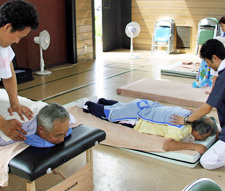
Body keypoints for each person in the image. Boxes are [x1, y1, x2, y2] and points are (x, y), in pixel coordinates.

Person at [82, 98, 217, 154]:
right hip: (137, 115)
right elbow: (167, 145)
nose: (202, 139)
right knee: (111, 116)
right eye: (203, 137)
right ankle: (90, 104)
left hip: (146, 104)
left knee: (121, 107)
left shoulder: (188, 114)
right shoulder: (180, 129)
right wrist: (195, 146)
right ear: (196, 130)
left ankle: (104, 101)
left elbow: (207, 120)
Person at [170, 39, 225, 169]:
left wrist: (186, 120)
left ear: (215, 58)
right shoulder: (220, 75)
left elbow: (207, 108)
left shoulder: (223, 77)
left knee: (206, 162)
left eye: (207, 62)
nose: (209, 66)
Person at [0, 0, 39, 142]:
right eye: (18, 37)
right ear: (7, 27)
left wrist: (14, 102)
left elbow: (8, 74)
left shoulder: (3, 44)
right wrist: (3, 124)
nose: (17, 41)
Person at [0, 103, 74, 147]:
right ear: (41, 130)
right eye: (58, 135)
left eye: (65, 133)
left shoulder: (66, 118)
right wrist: (2, 123)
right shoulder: (17, 131)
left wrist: (14, 102)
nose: (62, 140)